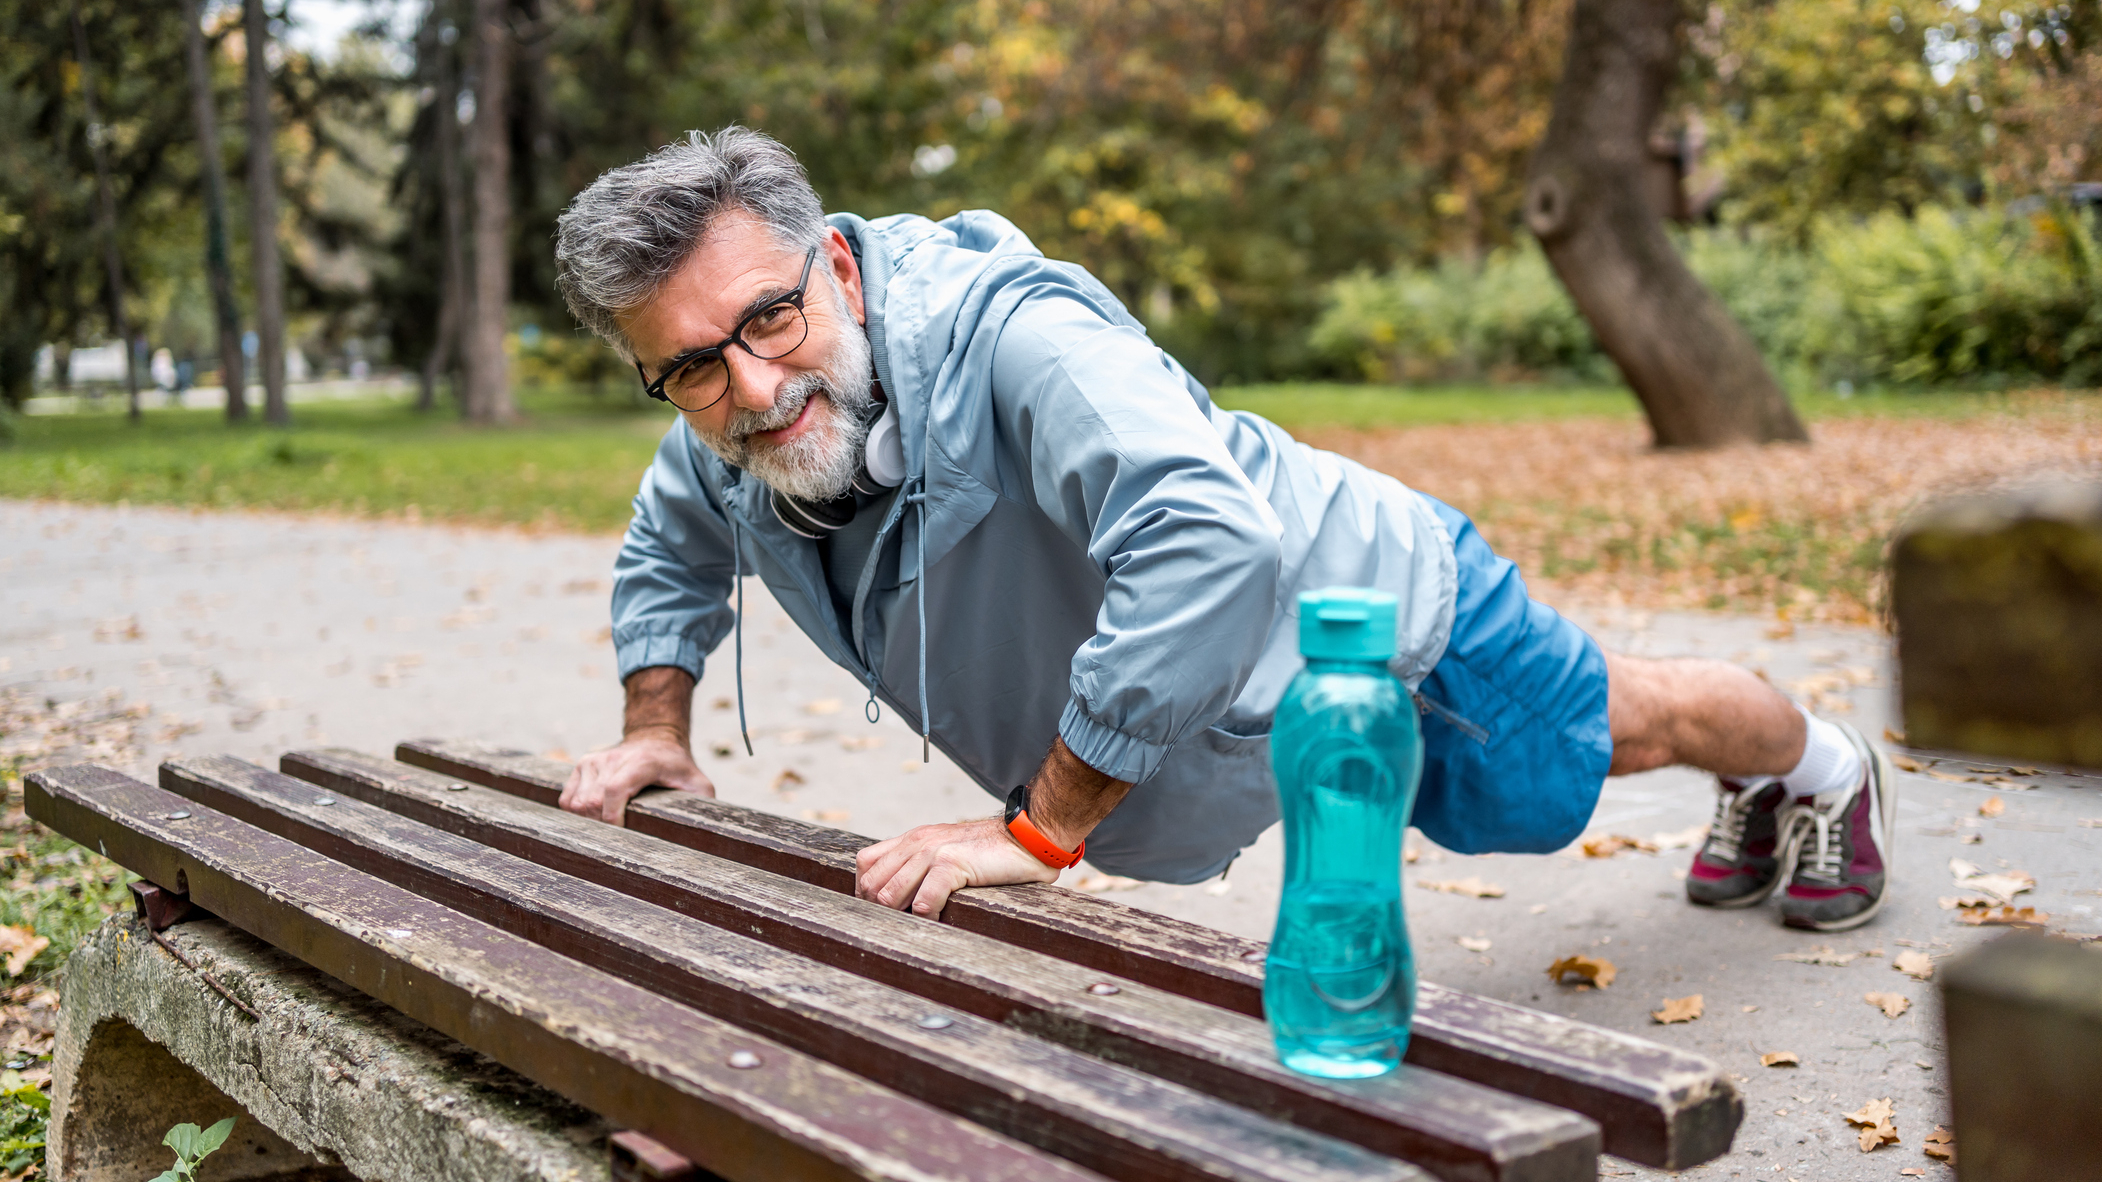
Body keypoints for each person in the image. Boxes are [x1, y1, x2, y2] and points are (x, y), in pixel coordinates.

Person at [549, 127, 1896, 934]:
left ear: (832, 265)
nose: (752, 386)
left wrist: (1039, 830)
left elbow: (1204, 541)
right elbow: (671, 535)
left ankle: (1820, 768)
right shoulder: (725, 418)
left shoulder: (1013, 335)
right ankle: (1774, 777)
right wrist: (656, 728)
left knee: (1595, 744)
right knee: (1507, 798)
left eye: (768, 318)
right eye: (690, 366)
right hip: (1232, 699)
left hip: (1364, 605)